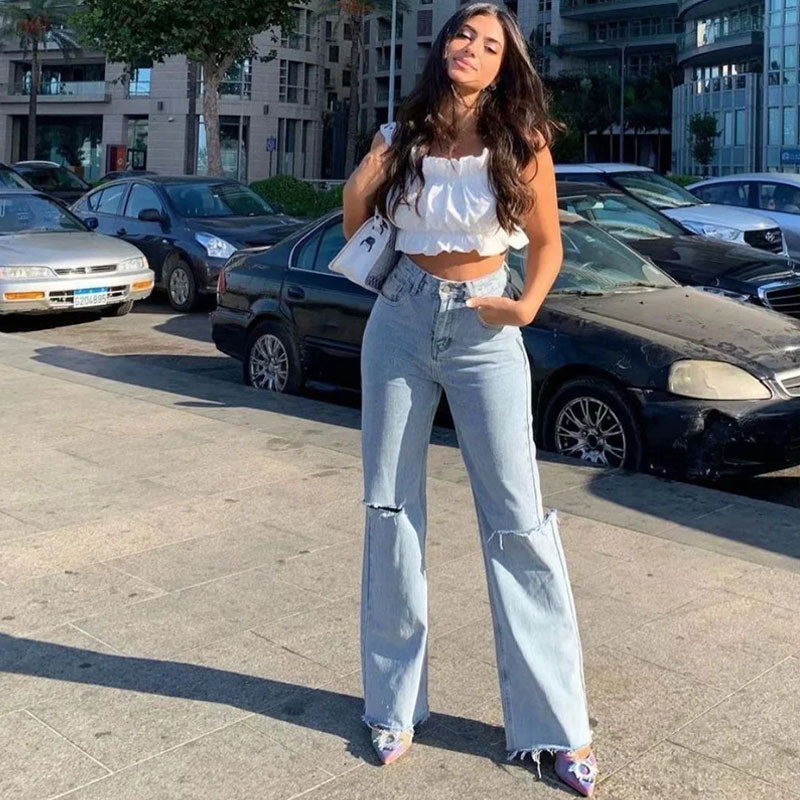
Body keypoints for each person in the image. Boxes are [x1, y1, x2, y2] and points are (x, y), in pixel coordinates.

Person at [342, 3, 597, 796]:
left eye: (490, 45)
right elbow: (356, 225)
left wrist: (527, 307)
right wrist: (369, 168)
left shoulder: (523, 139)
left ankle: (557, 728)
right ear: (443, 46)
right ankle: (393, 706)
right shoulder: (403, 132)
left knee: (518, 518)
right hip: (400, 317)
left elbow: (548, 243)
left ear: (504, 66)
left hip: (485, 323)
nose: (472, 49)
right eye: (463, 35)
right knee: (390, 509)